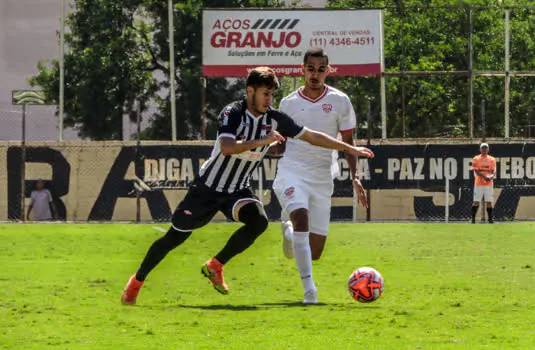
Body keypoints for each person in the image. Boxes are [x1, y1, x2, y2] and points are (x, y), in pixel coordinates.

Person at [121, 67, 375, 305]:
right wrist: (263, 140)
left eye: (272, 94)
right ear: (250, 91)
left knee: (259, 222)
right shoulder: (232, 113)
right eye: (265, 94)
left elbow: (311, 135)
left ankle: (215, 266)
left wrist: (348, 147)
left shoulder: (274, 118)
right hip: (207, 189)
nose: (269, 100)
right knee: (174, 238)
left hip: (237, 190)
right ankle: (137, 281)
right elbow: (228, 148)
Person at [272, 48, 371, 304]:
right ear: (302, 69)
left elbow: (348, 141)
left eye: (320, 69)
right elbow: (281, 143)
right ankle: (310, 292)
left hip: (323, 175)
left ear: (328, 71)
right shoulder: (288, 103)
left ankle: (289, 234)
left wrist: (355, 177)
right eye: (310, 68)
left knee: (314, 252)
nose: (315, 74)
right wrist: (268, 146)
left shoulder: (341, 101)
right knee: (301, 217)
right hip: (293, 169)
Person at [471, 143, 496, 224]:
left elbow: (494, 170)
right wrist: (484, 177)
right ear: (480, 149)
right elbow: (476, 170)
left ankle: (490, 220)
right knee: (476, 201)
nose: (484, 150)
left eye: (486, 148)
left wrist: (491, 176)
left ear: (488, 149)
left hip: (489, 183)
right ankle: (473, 219)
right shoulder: (476, 158)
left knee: (489, 201)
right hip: (479, 183)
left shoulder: (492, 159)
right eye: (483, 148)